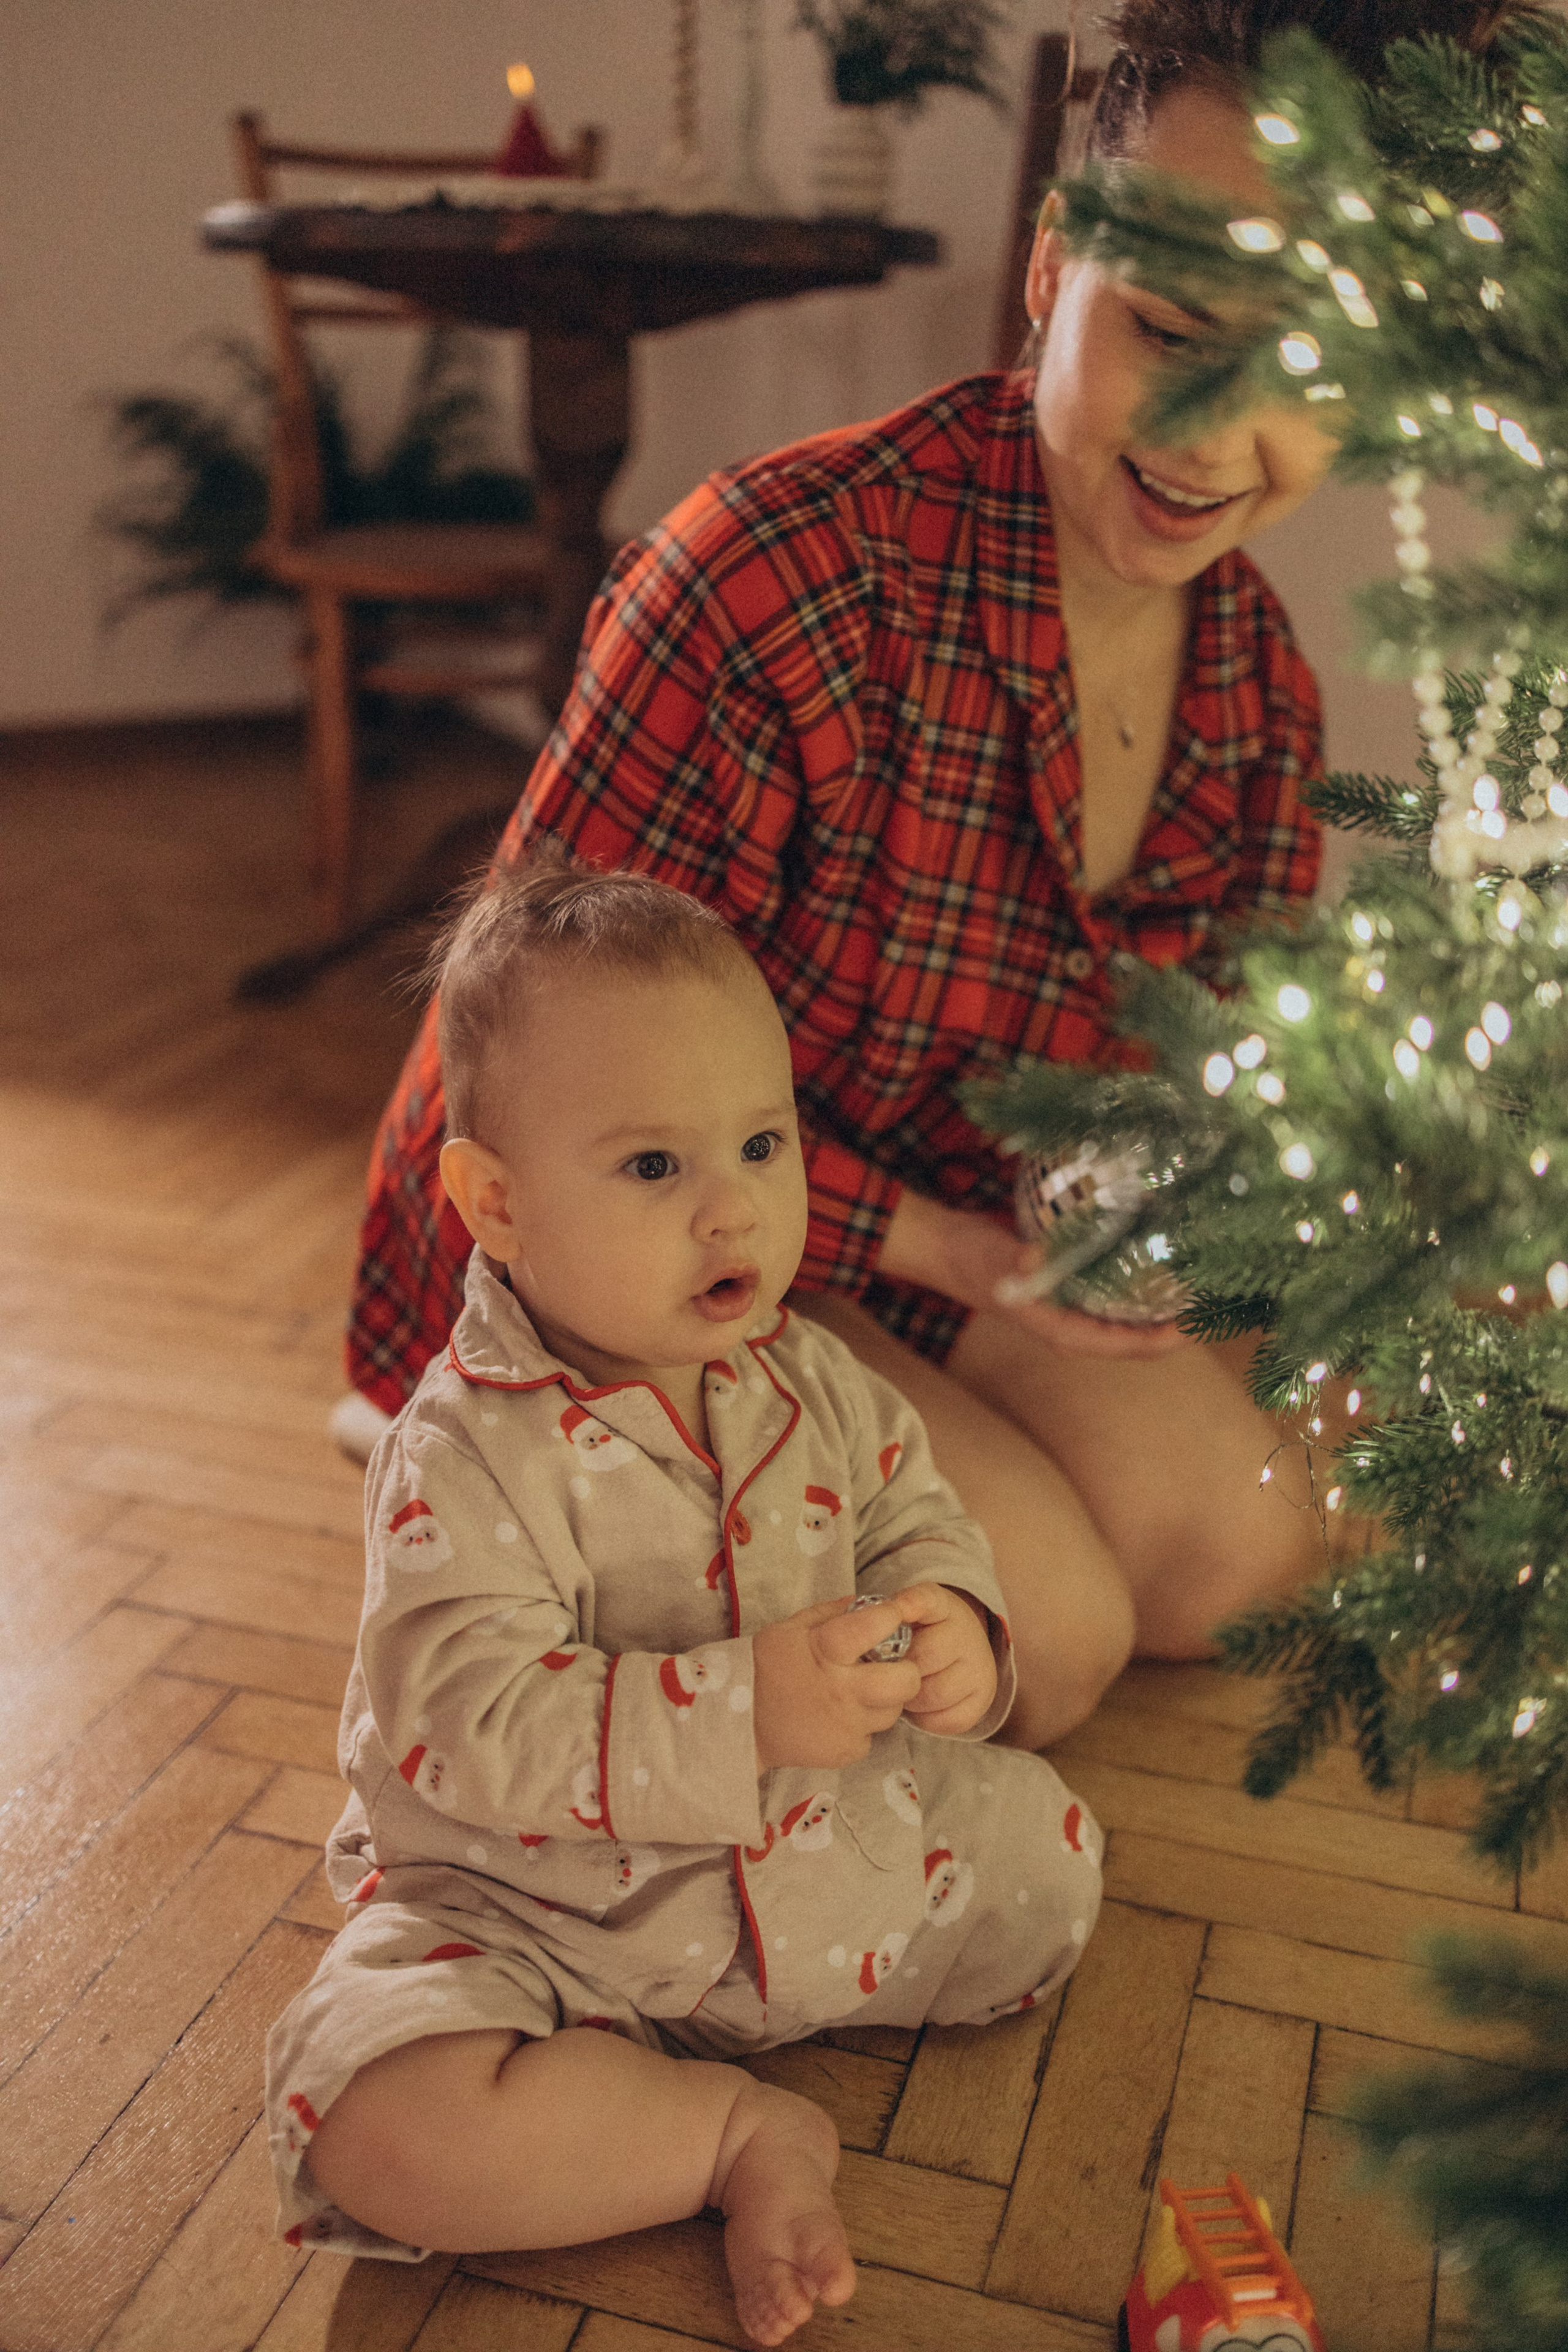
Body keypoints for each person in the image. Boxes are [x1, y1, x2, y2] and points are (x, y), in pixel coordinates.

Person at [341, 0, 1534, 1752]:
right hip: (634, 1227)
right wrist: (946, 1256)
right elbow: (545, 1078)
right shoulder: (770, 578)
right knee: (1044, 1630)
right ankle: (461, 1475)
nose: (1216, 435)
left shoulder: (1256, 684)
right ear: (1055, 268)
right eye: (1172, 326)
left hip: (940, 1234)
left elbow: (1180, 1085)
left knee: (1231, 1547)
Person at [269, 863, 1102, 2346]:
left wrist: (952, 1621)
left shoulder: (816, 1379)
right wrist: (745, 1706)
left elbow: (913, 1510)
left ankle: (773, 2012)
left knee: (1053, 1870)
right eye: (654, 1168)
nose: (731, 1209)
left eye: (761, 1144)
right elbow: (469, 1724)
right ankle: (728, 2137)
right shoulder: (456, 1450)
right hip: (536, 1921)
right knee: (374, 2125)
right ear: (497, 1202)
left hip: (814, 1866)